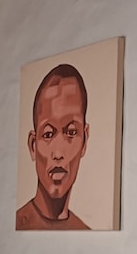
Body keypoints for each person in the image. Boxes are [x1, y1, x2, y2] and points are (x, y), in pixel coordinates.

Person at [16, 63, 90, 230]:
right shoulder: (18, 224)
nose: (58, 153)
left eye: (71, 132)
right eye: (48, 135)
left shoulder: (84, 231)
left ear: (84, 141)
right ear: (33, 145)